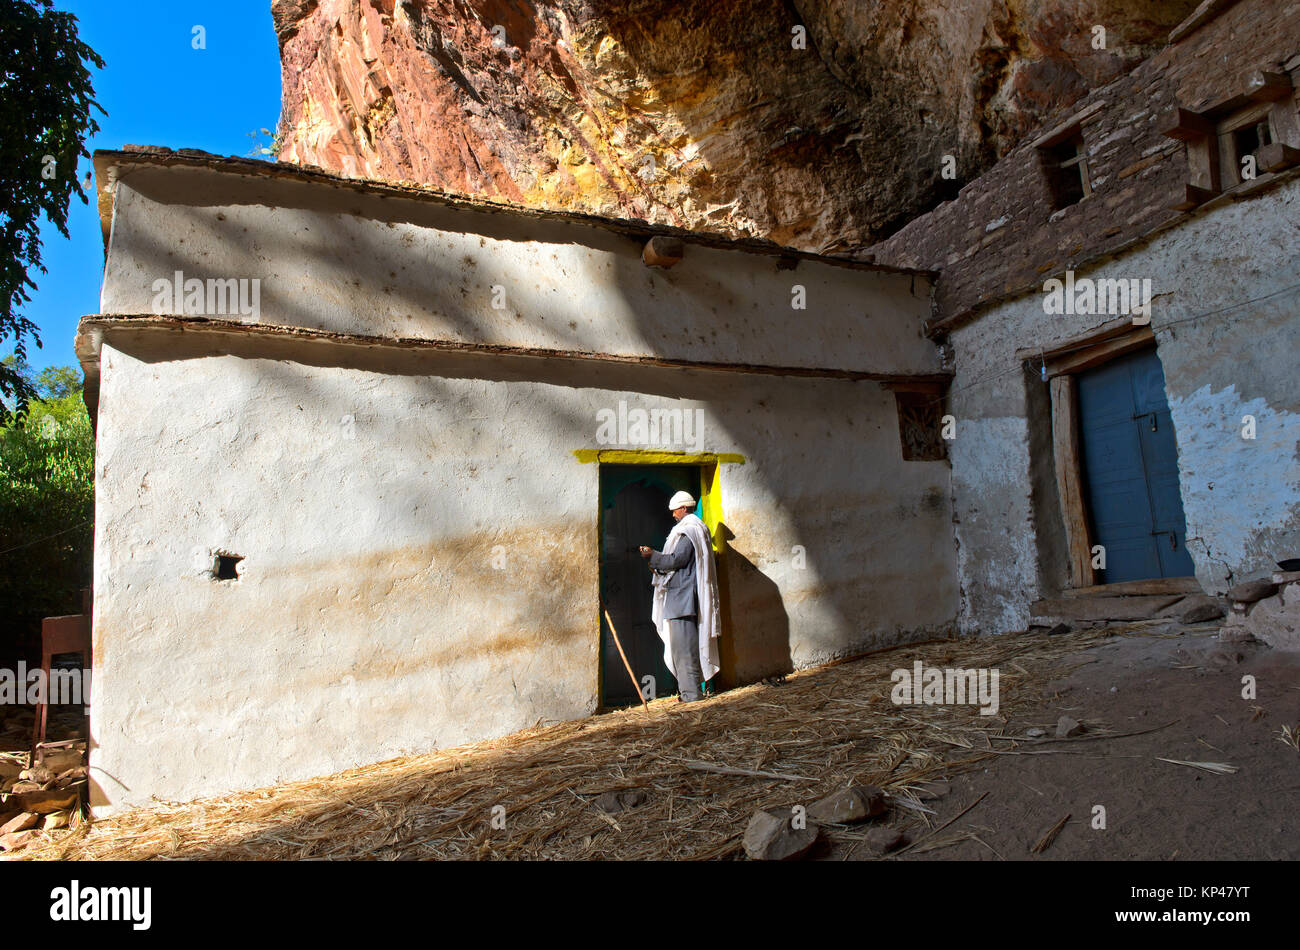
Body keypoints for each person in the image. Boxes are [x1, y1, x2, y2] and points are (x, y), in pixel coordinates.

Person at [639, 490, 721, 703]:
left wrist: (652, 556)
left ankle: (691, 695)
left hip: (682, 599)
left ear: (684, 508)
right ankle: (688, 694)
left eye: (675, 510)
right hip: (680, 598)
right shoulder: (694, 529)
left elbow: (678, 560)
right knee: (681, 648)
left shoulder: (688, 531)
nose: (674, 514)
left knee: (684, 650)